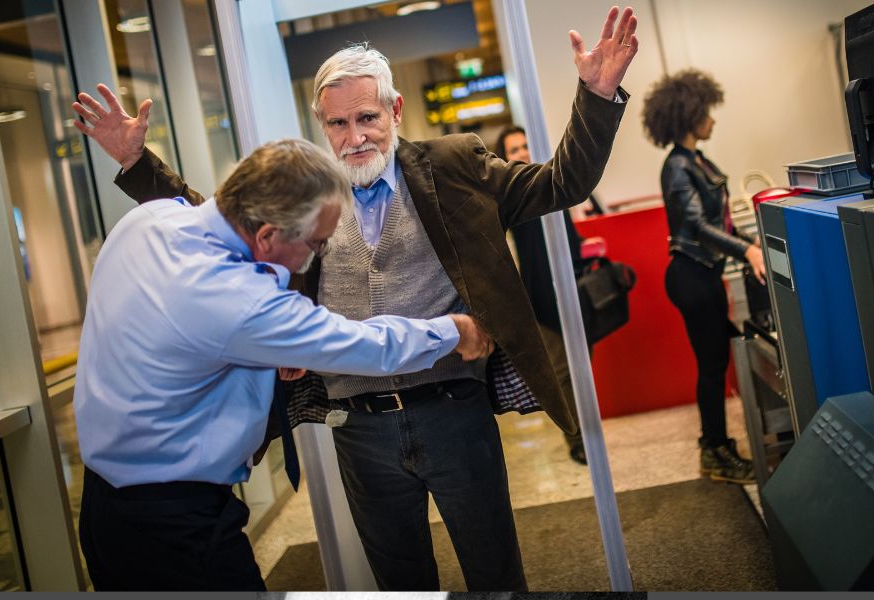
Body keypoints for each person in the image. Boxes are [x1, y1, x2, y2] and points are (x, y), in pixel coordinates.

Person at [73, 5, 639, 590]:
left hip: (454, 412)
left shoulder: (451, 166)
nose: (355, 137)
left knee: (493, 570)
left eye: (367, 117)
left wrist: (597, 96)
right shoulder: (308, 196)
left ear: (395, 110)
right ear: (321, 124)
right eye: (338, 124)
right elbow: (225, 219)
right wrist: (137, 163)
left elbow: (560, 183)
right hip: (360, 429)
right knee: (400, 582)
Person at [73, 139, 494, 591]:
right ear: (268, 236)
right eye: (317, 243)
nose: (318, 256)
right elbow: (366, 344)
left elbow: (177, 340)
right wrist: (454, 331)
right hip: (174, 526)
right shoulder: (239, 299)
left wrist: (264, 355)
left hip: (103, 507)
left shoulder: (147, 220)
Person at [640, 69, 765, 484]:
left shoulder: (697, 161)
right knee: (711, 366)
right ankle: (714, 452)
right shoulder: (678, 167)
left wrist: (751, 241)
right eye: (706, 112)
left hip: (703, 273)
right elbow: (697, 227)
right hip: (691, 276)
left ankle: (716, 446)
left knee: (716, 361)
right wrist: (747, 250)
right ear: (688, 116)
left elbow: (720, 222)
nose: (712, 119)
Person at [495, 125, 590, 465]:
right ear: (504, 158)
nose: (521, 152)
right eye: (513, 149)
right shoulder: (508, 198)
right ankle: (576, 439)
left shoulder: (552, 183)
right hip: (539, 300)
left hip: (572, 292)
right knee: (561, 372)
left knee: (582, 367)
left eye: (524, 145)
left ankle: (590, 432)